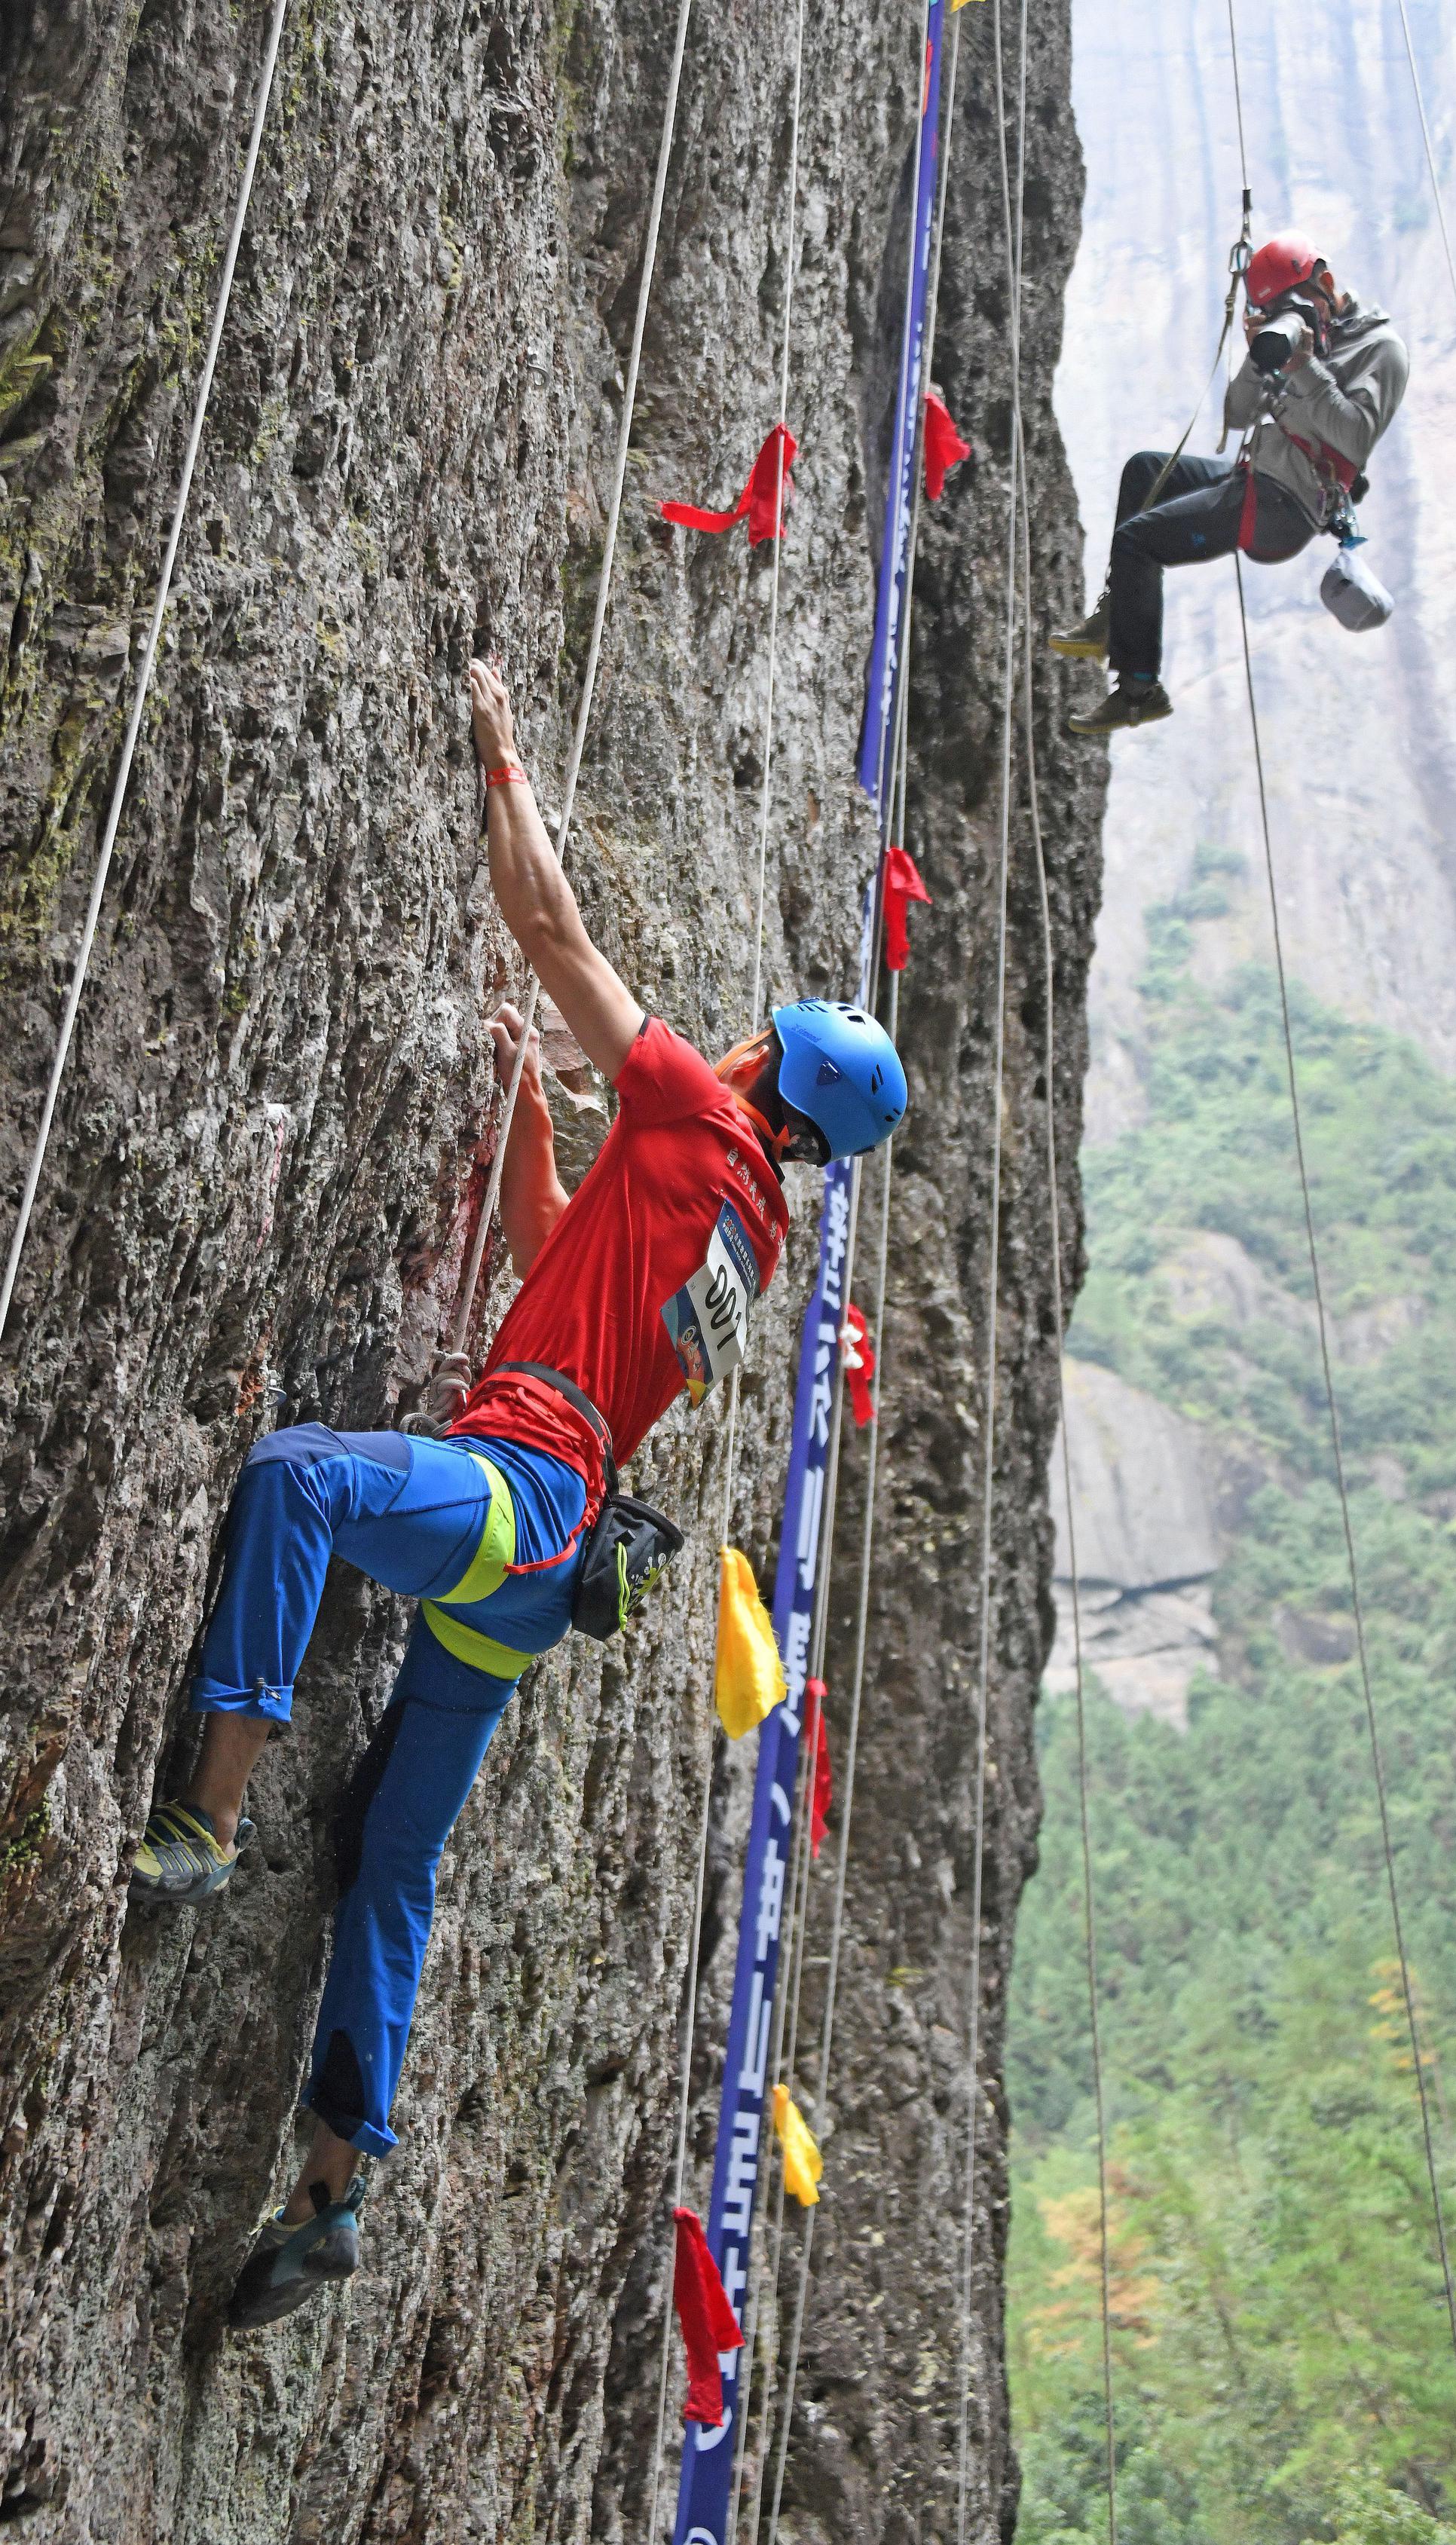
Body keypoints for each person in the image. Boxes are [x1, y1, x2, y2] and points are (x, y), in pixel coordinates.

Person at [128, 656, 907, 2328]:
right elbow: (565, 1260)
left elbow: (549, 926)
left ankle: (205, 1817)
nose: (729, 1037)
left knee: (300, 1478)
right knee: (392, 1853)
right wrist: (521, 1126)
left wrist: (502, 757)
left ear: (764, 1067)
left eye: (753, 1036)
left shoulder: (693, 1108)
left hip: (521, 1489)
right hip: (548, 1561)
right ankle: (331, 2188)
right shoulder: (748, 1238)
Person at [1054, 232, 1409, 734]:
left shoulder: (1380, 349)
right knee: (1145, 471)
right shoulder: (1300, 344)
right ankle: (1116, 616)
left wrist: (1304, 367)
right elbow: (1238, 414)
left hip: (1285, 505)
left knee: (1138, 541)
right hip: (1257, 475)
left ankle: (1138, 692)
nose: (1291, 320)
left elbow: (1354, 436)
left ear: (1326, 284)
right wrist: (1260, 355)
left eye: (1293, 307)